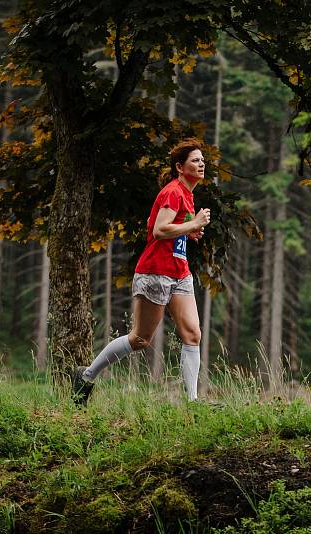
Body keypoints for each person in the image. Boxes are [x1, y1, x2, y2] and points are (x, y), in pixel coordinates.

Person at [71, 138, 212, 406]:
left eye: (202, 159)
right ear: (180, 167)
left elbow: (155, 223)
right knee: (140, 339)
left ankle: (193, 404)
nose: (201, 163)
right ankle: (86, 377)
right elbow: (159, 230)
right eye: (195, 160)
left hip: (179, 272)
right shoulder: (173, 191)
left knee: (192, 333)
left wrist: (188, 231)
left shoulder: (186, 194)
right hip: (155, 272)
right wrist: (192, 223)